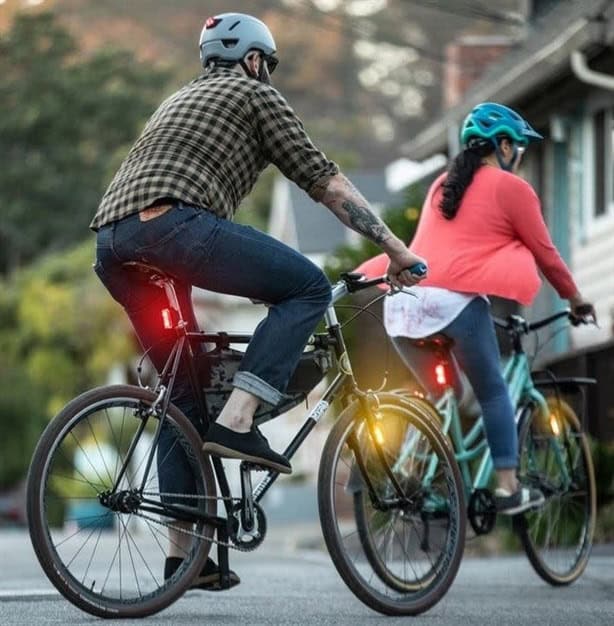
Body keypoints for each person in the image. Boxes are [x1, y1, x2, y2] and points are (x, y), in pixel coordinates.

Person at [91, 13, 426, 590]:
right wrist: (395, 248)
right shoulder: (253, 92)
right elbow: (325, 181)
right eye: (267, 65)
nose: (267, 74)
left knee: (181, 393)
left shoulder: (178, 99)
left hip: (114, 243)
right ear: (253, 61)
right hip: (174, 226)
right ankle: (241, 419)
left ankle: (184, 558)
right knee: (307, 287)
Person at [357, 102, 595, 516]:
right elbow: (546, 253)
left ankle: (415, 469)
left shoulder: (442, 186)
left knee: (439, 397)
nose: (518, 157)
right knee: (492, 392)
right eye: (517, 148)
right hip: (454, 304)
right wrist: (575, 300)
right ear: (503, 146)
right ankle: (507, 488)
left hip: (404, 305)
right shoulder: (513, 189)